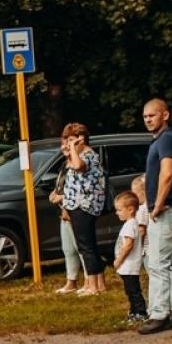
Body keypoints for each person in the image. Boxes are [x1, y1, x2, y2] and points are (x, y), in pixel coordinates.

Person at [138, 98, 172, 334]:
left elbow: (167, 174)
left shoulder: (166, 140)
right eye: (145, 116)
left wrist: (157, 205)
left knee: (157, 263)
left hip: (167, 209)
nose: (148, 119)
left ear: (165, 115)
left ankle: (159, 313)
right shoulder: (163, 140)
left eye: (153, 115)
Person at [58, 123, 108, 297]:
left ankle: (93, 286)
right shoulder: (78, 155)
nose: (68, 143)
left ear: (81, 138)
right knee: (87, 245)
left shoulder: (88, 154)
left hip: (84, 205)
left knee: (86, 247)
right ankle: (96, 283)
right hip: (76, 205)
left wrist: (72, 147)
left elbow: (79, 166)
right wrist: (69, 151)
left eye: (71, 139)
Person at [112, 190, 148, 324]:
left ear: (130, 209)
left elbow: (128, 245)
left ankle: (140, 312)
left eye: (119, 210)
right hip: (128, 266)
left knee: (133, 291)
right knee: (130, 290)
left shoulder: (129, 225)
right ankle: (134, 312)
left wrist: (118, 260)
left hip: (128, 265)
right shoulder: (132, 224)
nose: (117, 213)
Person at [48, 166, 83, 294]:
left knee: (81, 248)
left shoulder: (80, 165)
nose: (65, 148)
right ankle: (71, 281)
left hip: (75, 212)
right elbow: (62, 185)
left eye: (67, 145)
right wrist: (55, 192)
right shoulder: (64, 166)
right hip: (64, 212)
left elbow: (81, 190)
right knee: (68, 249)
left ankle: (89, 281)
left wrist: (62, 198)